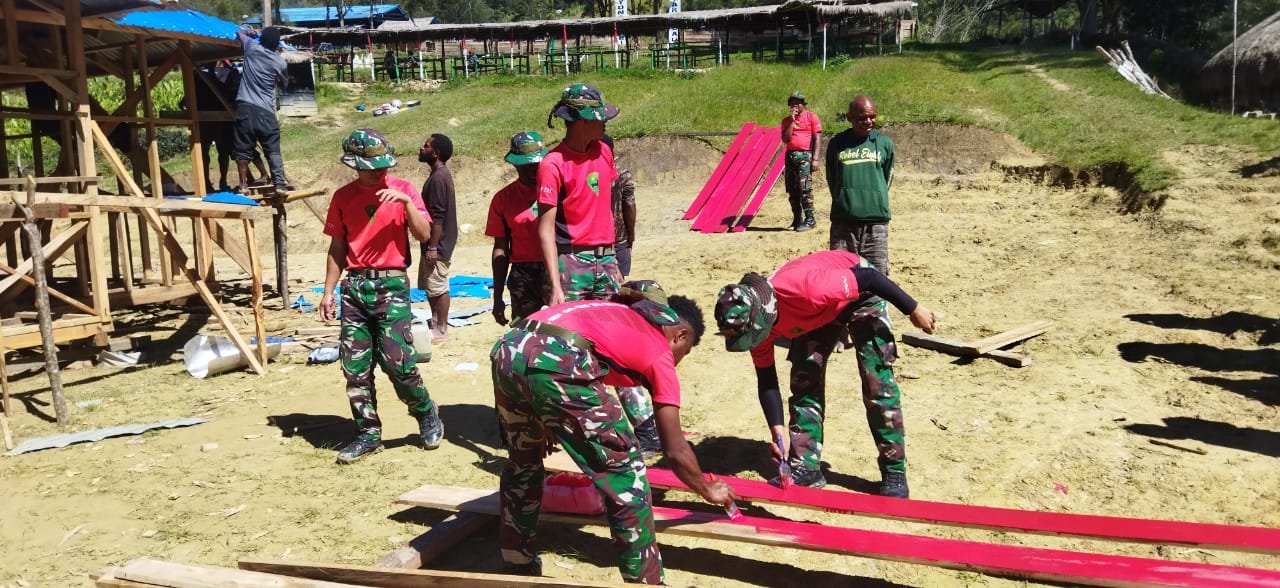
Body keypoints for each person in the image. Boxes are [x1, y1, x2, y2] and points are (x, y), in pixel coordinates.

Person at [491, 281, 735, 584]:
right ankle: (645, 579)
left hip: (509, 346)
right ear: (680, 335)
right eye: (684, 353)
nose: (678, 361)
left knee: (524, 460)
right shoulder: (660, 351)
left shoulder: (615, 314)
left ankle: (517, 561)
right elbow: (674, 449)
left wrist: (543, 411)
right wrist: (706, 488)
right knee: (625, 473)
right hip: (559, 357)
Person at [713, 250, 936, 498]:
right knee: (804, 379)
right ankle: (805, 467)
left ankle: (894, 470)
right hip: (819, 313)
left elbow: (870, 278)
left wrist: (913, 308)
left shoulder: (805, 288)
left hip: (862, 295)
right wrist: (776, 433)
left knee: (877, 382)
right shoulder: (757, 329)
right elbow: (767, 381)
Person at [537, 84, 661, 456]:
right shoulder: (552, 164)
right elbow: (545, 228)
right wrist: (556, 284)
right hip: (571, 261)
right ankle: (568, 422)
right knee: (568, 346)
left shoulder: (605, 152)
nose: (606, 125)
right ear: (577, 122)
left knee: (619, 340)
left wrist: (616, 258)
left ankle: (644, 424)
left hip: (605, 260)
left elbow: (605, 206)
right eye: (599, 120)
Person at [319, 129, 443, 464]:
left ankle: (425, 411)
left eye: (383, 165)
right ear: (355, 165)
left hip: (392, 287)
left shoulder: (403, 190)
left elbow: (425, 234)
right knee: (354, 369)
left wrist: (405, 204)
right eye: (372, 166)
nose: (380, 171)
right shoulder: (343, 198)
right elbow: (338, 247)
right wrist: (329, 291)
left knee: (398, 362)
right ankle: (368, 433)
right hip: (355, 288)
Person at [825, 95, 894, 274]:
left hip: (876, 223)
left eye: (872, 116)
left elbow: (887, 177)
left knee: (877, 277)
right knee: (842, 275)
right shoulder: (837, 144)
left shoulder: (884, 143)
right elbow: (832, 177)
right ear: (850, 118)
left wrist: (874, 198)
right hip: (843, 223)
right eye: (862, 118)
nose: (868, 121)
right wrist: (845, 200)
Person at [487, 131, 550, 326]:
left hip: (558, 267)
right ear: (515, 164)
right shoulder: (503, 199)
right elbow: (500, 249)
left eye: (536, 165)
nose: (532, 171)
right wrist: (497, 297)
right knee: (526, 331)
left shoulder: (559, 191)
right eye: (526, 166)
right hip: (524, 275)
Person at [233, 25, 291, 195]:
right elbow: (284, 85)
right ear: (276, 44)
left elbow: (239, 33)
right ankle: (279, 184)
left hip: (244, 108)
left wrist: (249, 30)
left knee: (243, 148)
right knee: (272, 149)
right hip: (265, 111)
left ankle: (243, 186)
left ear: (262, 40)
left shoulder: (251, 47)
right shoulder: (280, 62)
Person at [196, 61, 267, 192]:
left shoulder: (204, 79)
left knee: (234, 150)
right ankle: (219, 181)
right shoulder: (209, 79)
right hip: (217, 120)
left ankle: (228, 180)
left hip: (221, 120)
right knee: (230, 151)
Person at [416, 133, 457, 344]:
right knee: (431, 285)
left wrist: (432, 246)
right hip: (432, 242)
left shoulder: (439, 178)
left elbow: (437, 217)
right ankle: (434, 321)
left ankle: (442, 328)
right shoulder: (437, 175)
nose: (422, 148)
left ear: (436, 152)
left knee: (439, 285)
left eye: (426, 146)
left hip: (438, 243)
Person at [781, 91, 822, 232]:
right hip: (790, 156)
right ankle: (797, 219)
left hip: (805, 156)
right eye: (792, 103)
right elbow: (786, 139)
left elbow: (817, 139)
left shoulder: (811, 117)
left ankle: (810, 219)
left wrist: (815, 159)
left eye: (797, 102)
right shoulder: (786, 121)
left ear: (803, 104)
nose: (795, 105)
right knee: (792, 190)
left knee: (805, 188)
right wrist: (792, 121)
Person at [601, 135, 636, 279]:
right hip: (619, 238)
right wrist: (631, 237)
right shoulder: (623, 175)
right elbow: (629, 205)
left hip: (593, 243)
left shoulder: (587, 173)